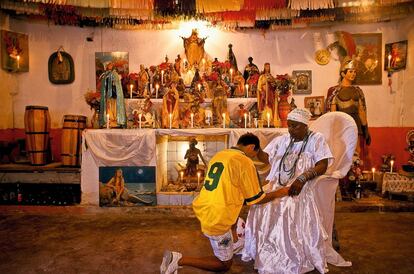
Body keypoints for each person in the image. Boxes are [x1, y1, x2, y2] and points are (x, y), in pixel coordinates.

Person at [160, 133, 290, 274]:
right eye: (255, 154)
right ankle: (178, 259)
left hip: (206, 206)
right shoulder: (244, 161)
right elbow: (255, 199)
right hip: (218, 216)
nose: (254, 157)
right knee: (224, 264)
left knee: (236, 220)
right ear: (252, 147)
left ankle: (233, 243)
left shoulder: (220, 155)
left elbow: (230, 187)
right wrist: (280, 192)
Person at [242, 108, 351, 273]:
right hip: (279, 185)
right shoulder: (283, 140)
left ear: (305, 125)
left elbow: (322, 164)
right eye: (289, 126)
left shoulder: (316, 139)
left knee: (287, 206)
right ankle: (267, 253)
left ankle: (289, 256)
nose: (290, 130)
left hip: (301, 185)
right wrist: (256, 149)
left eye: (295, 126)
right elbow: (268, 158)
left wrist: (302, 178)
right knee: (260, 202)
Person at [326, 59, 370, 165]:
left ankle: (355, 176)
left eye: (355, 71)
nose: (353, 74)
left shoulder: (358, 91)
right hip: (340, 127)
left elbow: (361, 111)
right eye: (350, 71)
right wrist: (333, 131)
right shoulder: (334, 91)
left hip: (356, 126)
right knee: (340, 154)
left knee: (356, 155)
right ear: (343, 73)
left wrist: (366, 130)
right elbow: (332, 114)